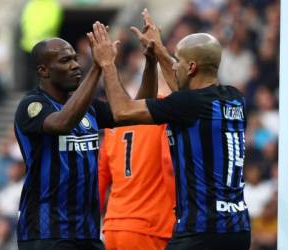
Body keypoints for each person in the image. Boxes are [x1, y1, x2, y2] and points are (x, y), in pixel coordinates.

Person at [87, 9, 251, 250]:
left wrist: (108, 63)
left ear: (192, 67)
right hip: (237, 229)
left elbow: (122, 111)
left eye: (179, 62)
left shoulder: (187, 105)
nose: (174, 67)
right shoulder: (235, 99)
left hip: (199, 231)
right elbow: (188, 91)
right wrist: (159, 50)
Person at [14, 36, 157, 250]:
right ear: (44, 71)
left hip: (87, 233)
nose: (74, 65)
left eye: (75, 58)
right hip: (47, 233)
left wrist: (151, 63)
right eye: (64, 61)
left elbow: (133, 112)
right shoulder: (32, 105)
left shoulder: (89, 109)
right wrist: (98, 67)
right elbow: (62, 123)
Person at [98, 90, 176, 249]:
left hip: (113, 226)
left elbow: (100, 176)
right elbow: (169, 164)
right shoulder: (164, 111)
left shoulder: (115, 118)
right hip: (150, 228)